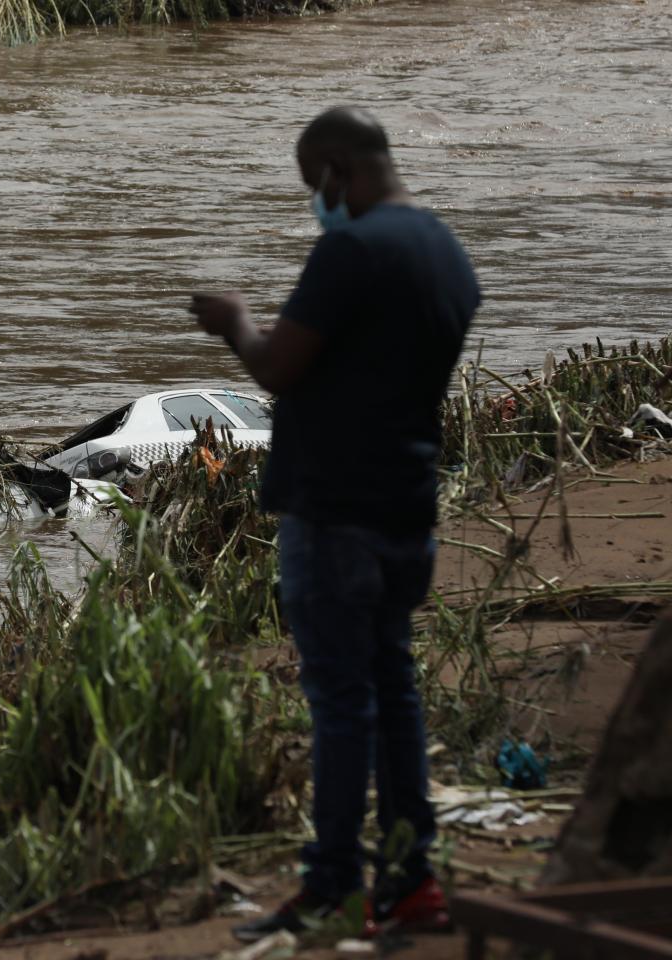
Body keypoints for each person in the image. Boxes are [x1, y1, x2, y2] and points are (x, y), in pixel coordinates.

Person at [190, 106, 480, 938]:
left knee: (342, 703)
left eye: (314, 185)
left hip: (334, 511)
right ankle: (411, 881)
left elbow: (280, 366)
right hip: (406, 503)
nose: (317, 202)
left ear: (338, 172)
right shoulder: (445, 252)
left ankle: (332, 889)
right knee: (394, 691)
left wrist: (234, 320)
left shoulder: (351, 248)